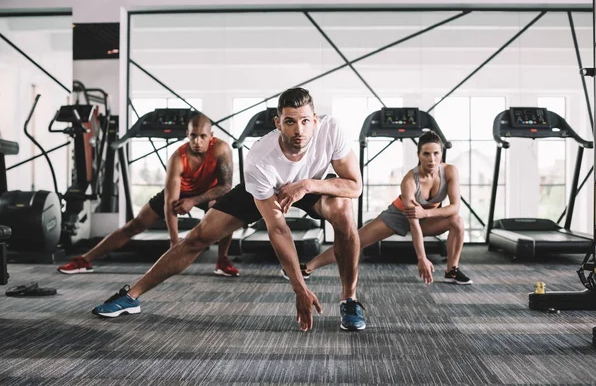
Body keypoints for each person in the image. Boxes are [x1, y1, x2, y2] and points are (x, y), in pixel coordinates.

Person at [91, 87, 366, 332]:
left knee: (343, 211)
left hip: (312, 185)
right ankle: (131, 296)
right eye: (290, 122)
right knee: (198, 237)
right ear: (278, 123)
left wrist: (306, 184)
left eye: (305, 121)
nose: (299, 130)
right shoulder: (260, 159)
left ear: (314, 120)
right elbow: (278, 228)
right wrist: (299, 286)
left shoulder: (331, 130)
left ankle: (349, 300)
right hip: (266, 190)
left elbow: (355, 186)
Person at [58, 113, 239, 277]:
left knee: (228, 210)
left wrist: (193, 200)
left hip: (209, 192)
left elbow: (225, 186)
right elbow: (170, 203)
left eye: (203, 136)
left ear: (211, 136)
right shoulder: (177, 158)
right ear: (187, 134)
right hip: (181, 193)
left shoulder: (221, 149)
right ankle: (84, 260)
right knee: (134, 225)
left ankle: (222, 260)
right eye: (193, 136)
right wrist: (175, 243)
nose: (197, 141)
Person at [283, 130, 472, 286]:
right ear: (418, 155)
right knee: (355, 242)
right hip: (398, 216)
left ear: (441, 154)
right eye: (426, 154)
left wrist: (427, 212)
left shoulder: (449, 171)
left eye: (436, 153)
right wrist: (421, 258)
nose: (432, 159)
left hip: (426, 218)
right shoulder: (409, 180)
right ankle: (306, 268)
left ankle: (451, 270)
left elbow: (455, 207)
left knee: (457, 221)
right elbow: (413, 223)